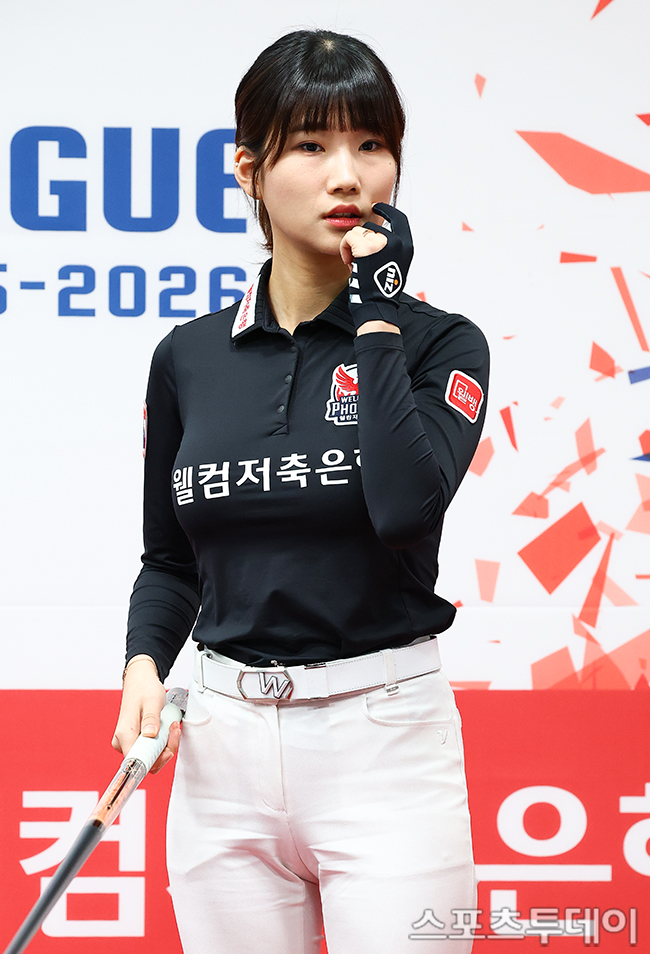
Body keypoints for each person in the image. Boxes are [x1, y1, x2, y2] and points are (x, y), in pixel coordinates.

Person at [112, 28, 489, 954]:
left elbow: (404, 510)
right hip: (221, 749)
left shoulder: (440, 343)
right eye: (312, 145)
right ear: (250, 168)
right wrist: (143, 666)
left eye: (371, 143)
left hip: (385, 743)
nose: (347, 175)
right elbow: (171, 560)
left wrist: (376, 319)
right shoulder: (188, 356)